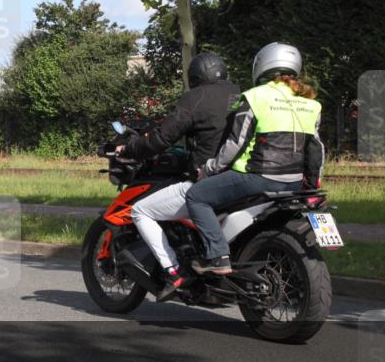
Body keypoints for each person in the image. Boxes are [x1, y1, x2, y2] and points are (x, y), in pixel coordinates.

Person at [186, 42, 324, 275]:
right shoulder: (311, 104)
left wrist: (209, 168)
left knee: (196, 196)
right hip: (293, 183)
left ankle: (217, 256)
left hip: (256, 178)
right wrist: (311, 185)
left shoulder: (253, 97)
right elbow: (316, 149)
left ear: (262, 66)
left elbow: (235, 144)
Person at [116, 52, 240, 299]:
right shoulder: (239, 94)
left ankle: (174, 271)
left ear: (194, 77)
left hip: (208, 180)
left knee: (140, 211)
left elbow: (162, 138)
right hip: (239, 179)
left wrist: (131, 148)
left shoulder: (195, 98)